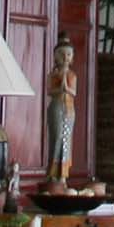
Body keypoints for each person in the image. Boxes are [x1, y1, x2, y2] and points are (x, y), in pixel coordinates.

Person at [44, 37, 77, 184]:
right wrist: (61, 81)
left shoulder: (72, 75)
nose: (65, 57)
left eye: (68, 54)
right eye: (62, 54)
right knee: (56, 137)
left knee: (66, 139)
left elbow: (73, 92)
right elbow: (50, 91)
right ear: (56, 56)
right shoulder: (53, 75)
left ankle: (63, 175)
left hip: (69, 109)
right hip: (57, 107)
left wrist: (65, 82)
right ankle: (52, 173)